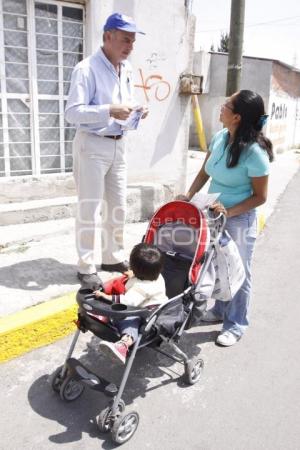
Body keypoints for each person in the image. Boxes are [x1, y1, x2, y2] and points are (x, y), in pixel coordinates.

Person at [177, 90, 273, 347]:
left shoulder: (255, 153)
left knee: (239, 272)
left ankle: (236, 323)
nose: (222, 106)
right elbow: (204, 172)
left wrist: (229, 212)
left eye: (227, 104)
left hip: (238, 219)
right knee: (216, 266)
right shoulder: (221, 136)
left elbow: (260, 197)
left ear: (238, 117)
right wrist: (189, 195)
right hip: (212, 215)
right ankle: (220, 311)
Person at [65, 13, 148, 288]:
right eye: (126, 39)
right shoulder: (86, 69)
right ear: (108, 36)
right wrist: (109, 110)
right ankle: (86, 265)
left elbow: (125, 102)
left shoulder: (125, 68)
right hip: (92, 144)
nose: (129, 46)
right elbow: (72, 113)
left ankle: (112, 256)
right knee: (89, 208)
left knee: (118, 206)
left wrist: (137, 109)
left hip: (118, 145)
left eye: (132, 41)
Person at [93, 243, 167, 364]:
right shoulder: (156, 275)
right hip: (153, 306)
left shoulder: (141, 287)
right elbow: (145, 274)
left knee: (129, 320)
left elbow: (128, 301)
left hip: (147, 315)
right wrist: (135, 274)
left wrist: (106, 296)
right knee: (125, 314)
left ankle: (124, 345)